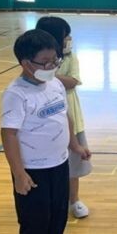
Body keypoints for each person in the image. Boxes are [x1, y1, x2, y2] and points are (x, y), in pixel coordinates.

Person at [0, 29, 91, 234]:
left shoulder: (55, 85)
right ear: (26, 63)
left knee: (58, 215)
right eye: (45, 62)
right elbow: (9, 134)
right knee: (34, 221)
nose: (52, 67)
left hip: (59, 164)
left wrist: (75, 145)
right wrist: (19, 173)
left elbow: (65, 116)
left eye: (55, 61)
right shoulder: (16, 94)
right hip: (33, 170)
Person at [36, 16, 92, 219]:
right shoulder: (35, 62)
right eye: (65, 36)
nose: (69, 39)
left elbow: (73, 81)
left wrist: (48, 74)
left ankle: (74, 200)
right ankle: (50, 201)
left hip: (71, 116)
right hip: (46, 121)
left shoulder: (69, 57)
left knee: (73, 165)